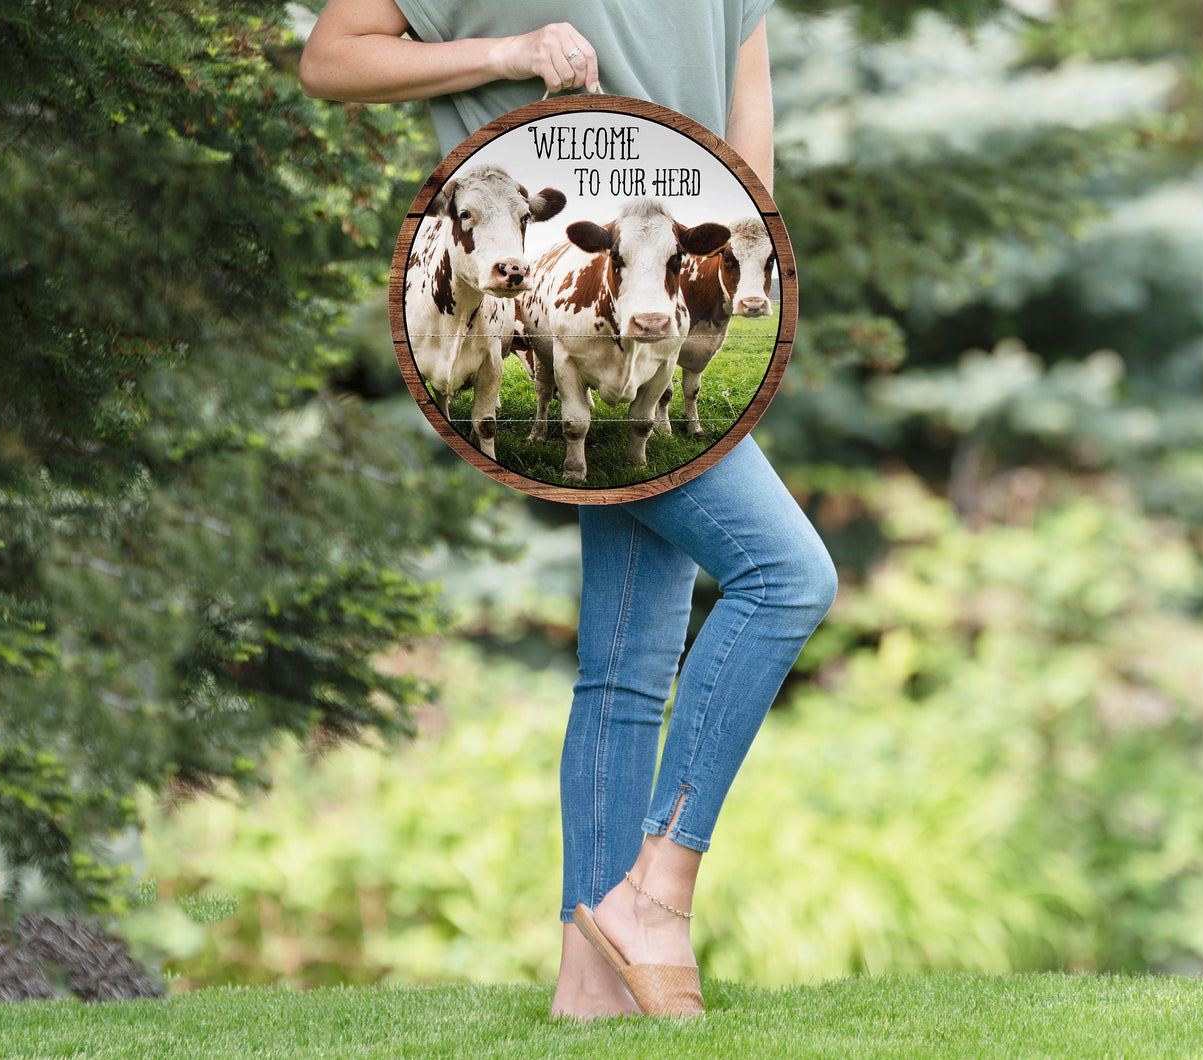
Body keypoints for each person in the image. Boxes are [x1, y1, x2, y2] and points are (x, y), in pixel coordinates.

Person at [299, 0, 838, 1021]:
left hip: (659, 292)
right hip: (558, 304)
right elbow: (329, 58)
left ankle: (588, 989)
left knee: (627, 660)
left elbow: (746, 89)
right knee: (787, 576)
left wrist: (738, 260)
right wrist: (509, 51)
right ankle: (654, 890)